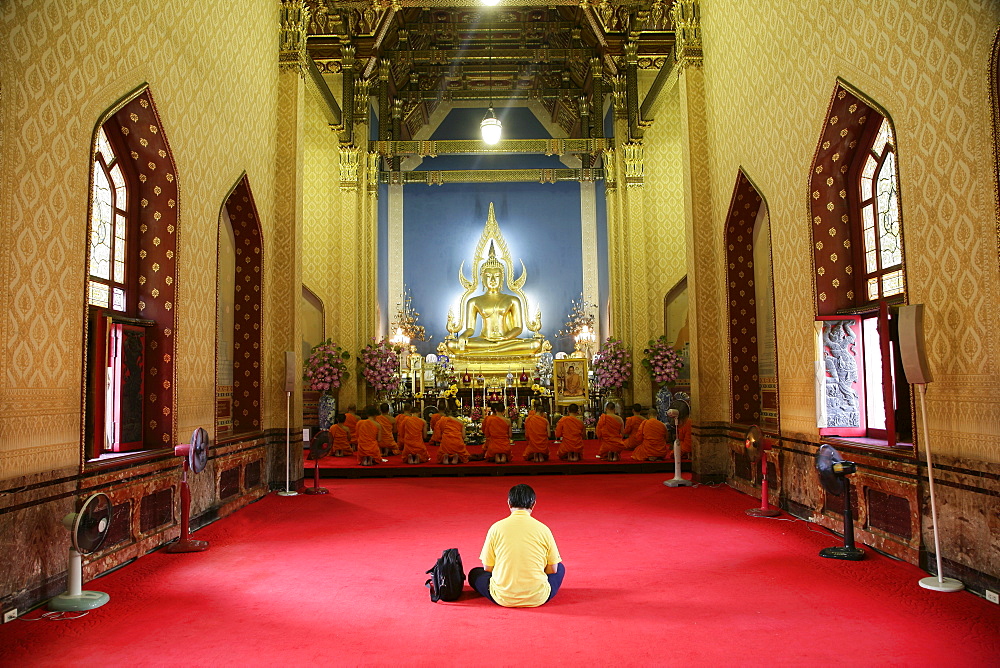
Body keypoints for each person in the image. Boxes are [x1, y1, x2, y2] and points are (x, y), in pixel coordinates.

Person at [468, 484, 565, 608]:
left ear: (509, 503)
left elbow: (488, 568)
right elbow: (553, 569)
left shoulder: (496, 528)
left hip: (502, 597)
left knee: (475, 573)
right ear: (533, 504)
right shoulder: (544, 529)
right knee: (560, 567)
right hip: (538, 597)